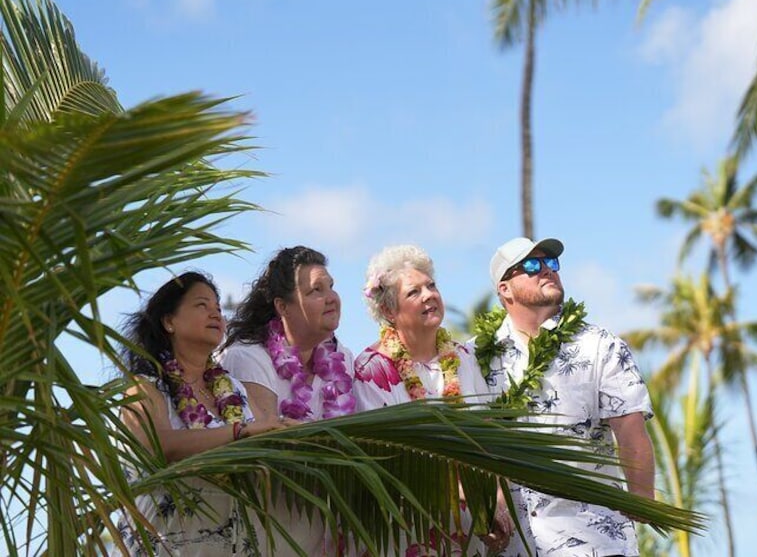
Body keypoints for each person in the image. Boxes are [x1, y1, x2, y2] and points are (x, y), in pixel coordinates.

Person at [473, 237, 655, 557]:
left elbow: (630, 429)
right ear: (505, 289)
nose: (546, 270)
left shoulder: (600, 346)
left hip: (593, 540)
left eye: (551, 263)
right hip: (513, 546)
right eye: (531, 265)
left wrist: (642, 499)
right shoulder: (476, 357)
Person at [354, 244, 512, 556]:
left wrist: (497, 505)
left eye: (432, 286)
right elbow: (387, 458)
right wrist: (467, 490)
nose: (429, 295)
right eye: (413, 292)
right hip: (405, 524)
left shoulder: (464, 358)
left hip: (471, 529)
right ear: (388, 311)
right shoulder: (370, 369)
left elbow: (487, 439)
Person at [114, 271, 286, 556]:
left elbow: (264, 439)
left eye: (218, 307)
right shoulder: (145, 389)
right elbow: (159, 446)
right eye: (202, 305)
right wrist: (237, 433)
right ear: (169, 321)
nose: (215, 313)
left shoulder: (235, 390)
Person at [221, 246, 356, 554]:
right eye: (316, 291)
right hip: (268, 527)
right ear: (282, 306)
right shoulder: (248, 357)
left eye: (331, 287)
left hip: (323, 526)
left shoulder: (342, 358)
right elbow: (271, 443)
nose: (331, 297)